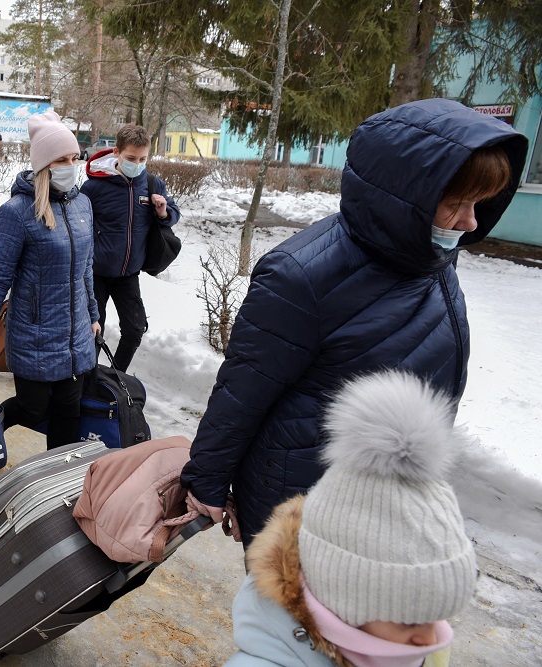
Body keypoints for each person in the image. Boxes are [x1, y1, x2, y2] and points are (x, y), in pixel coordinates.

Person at [180, 98, 528, 546]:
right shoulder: (300, 276)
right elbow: (242, 393)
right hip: (304, 503)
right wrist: (207, 481)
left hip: (384, 496)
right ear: (403, 197)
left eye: (479, 202)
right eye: (457, 203)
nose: (470, 221)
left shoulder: (430, 257)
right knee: (287, 616)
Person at [224, 370, 477, 667]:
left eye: (438, 617)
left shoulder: (418, 646)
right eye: (408, 622)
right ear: (343, 598)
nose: (431, 639)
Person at [0, 111, 100, 450]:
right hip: (34, 333)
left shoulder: (83, 205)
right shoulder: (18, 211)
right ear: (44, 164)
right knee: (32, 407)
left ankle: (58, 479)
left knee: (68, 411)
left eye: (74, 158)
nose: (71, 165)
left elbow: (86, 267)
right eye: (62, 159)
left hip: (75, 334)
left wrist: (94, 315)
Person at [81, 123, 180, 371]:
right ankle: (87, 380)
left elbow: (174, 214)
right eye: (131, 158)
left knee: (135, 331)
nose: (137, 163)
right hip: (97, 273)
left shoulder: (152, 184)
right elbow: (80, 222)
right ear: (116, 152)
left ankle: (116, 377)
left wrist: (163, 210)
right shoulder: (94, 186)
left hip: (129, 274)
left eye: (143, 158)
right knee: (93, 330)